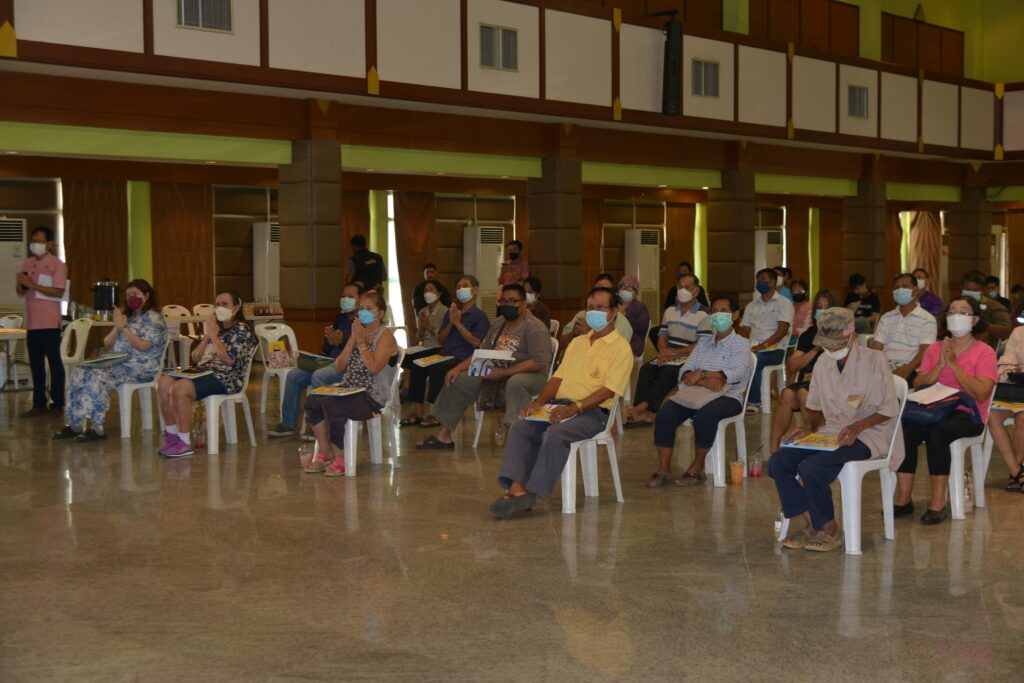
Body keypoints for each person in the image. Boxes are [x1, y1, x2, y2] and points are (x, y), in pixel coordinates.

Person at [489, 287, 632, 518]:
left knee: (555, 433)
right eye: (590, 308)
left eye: (600, 308)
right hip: (560, 405)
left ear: (614, 312)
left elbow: (608, 391)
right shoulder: (578, 342)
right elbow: (557, 378)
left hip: (593, 413)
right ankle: (517, 488)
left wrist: (575, 408)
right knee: (521, 427)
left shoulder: (621, 348)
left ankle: (532, 493)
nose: (593, 312)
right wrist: (539, 402)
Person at [769, 308, 903, 552]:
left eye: (836, 344)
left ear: (852, 335)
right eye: (827, 345)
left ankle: (829, 528)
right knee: (779, 461)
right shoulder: (823, 362)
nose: (831, 350)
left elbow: (889, 408)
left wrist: (858, 426)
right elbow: (815, 407)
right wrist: (807, 428)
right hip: (832, 431)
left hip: (870, 432)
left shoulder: (875, 360)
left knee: (812, 467)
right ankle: (813, 522)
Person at [895, 296, 997, 524]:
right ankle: (903, 498)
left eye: (963, 312)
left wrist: (954, 365)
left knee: (937, 432)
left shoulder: (985, 352)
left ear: (974, 320)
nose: (956, 316)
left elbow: (981, 393)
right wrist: (940, 364)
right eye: (952, 311)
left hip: (968, 414)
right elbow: (919, 383)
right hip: (934, 408)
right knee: (905, 429)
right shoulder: (935, 348)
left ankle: (938, 502)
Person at [416, 283, 552, 449]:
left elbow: (539, 362)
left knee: (516, 382)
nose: (507, 305)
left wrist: (503, 373)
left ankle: (516, 438)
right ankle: (444, 435)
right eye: (504, 301)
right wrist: (458, 368)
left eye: (512, 301)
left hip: (529, 373)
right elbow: (482, 352)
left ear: (523, 303)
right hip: (497, 368)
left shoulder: (535, 327)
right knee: (459, 379)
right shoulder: (499, 323)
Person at [645, 295, 752, 488]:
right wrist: (703, 380)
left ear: (735, 315)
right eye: (714, 311)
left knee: (705, 417)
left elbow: (737, 373)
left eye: (723, 311)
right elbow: (685, 371)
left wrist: (702, 374)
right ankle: (664, 468)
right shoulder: (703, 343)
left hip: (728, 396)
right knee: (666, 414)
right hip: (697, 393)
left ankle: (697, 466)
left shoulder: (741, 343)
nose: (718, 315)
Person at [52, 279, 167, 441]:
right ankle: (74, 424)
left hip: (140, 367)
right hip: (117, 362)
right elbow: (107, 343)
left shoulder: (154, 319)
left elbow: (143, 346)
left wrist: (123, 328)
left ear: (147, 296)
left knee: (98, 376)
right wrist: (117, 327)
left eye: (135, 294)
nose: (131, 298)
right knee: (80, 371)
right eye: (128, 295)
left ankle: (97, 427)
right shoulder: (128, 316)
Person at [302, 290, 399, 476]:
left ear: (380, 313)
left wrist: (361, 343)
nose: (363, 312)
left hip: (372, 395)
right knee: (312, 401)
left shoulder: (385, 337)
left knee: (334, 404)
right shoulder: (358, 333)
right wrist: (352, 339)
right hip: (348, 388)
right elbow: (339, 367)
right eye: (361, 308)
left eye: (369, 308)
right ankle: (325, 451)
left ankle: (342, 456)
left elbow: (373, 368)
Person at [156, 290, 258, 458]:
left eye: (225, 304)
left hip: (228, 378)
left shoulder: (242, 330)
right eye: (217, 304)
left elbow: (229, 360)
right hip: (206, 371)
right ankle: (172, 435)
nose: (220, 308)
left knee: (181, 388)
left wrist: (213, 336)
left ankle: (184, 441)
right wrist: (207, 337)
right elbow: (196, 358)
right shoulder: (218, 328)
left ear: (236, 308)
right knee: (163, 382)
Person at [268, 282, 363, 438]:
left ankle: (318, 426)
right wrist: (330, 339)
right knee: (294, 375)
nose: (346, 299)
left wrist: (342, 341)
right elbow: (326, 348)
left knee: (319, 376)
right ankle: (288, 424)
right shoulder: (341, 319)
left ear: (360, 300)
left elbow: (361, 348)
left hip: (347, 367)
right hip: (329, 361)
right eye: (343, 296)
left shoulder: (363, 322)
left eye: (350, 296)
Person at [400, 275, 490, 427]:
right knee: (417, 363)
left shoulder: (480, 316)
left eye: (465, 286)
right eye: (458, 287)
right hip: (444, 353)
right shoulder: (451, 313)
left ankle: (436, 414)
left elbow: (476, 342)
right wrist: (450, 324)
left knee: (436, 368)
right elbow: (441, 340)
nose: (461, 289)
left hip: (463, 357)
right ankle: (418, 411)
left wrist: (458, 324)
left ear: (475, 290)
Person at [626, 273, 710, 427]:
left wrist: (674, 353)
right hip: (669, 354)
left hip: (691, 357)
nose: (682, 290)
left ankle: (641, 408)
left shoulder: (703, 314)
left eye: (687, 287)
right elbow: (662, 336)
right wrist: (664, 352)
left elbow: (702, 345)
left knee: (668, 371)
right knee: (647, 368)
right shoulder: (670, 311)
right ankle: (642, 414)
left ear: (696, 291)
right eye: (680, 287)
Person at [769, 289, 840, 453]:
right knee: (787, 394)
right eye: (819, 307)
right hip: (807, 382)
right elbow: (793, 366)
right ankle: (774, 447)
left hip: (831, 386)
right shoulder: (808, 335)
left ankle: (814, 442)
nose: (823, 311)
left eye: (827, 307)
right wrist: (815, 349)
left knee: (803, 393)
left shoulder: (842, 333)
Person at [15, 226, 67, 417]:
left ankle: (57, 404)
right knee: (36, 365)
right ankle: (38, 404)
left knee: (54, 363)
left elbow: (59, 292)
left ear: (50, 244)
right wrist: (21, 285)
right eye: (33, 240)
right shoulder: (27, 263)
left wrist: (33, 284)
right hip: (32, 323)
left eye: (39, 241)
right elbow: (21, 292)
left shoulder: (57, 265)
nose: (35, 244)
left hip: (49, 323)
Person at [739, 268, 794, 414]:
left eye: (764, 279)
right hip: (752, 347)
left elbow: (783, 330)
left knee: (755, 359)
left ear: (774, 282)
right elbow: (745, 330)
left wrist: (762, 346)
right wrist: (742, 345)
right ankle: (734, 398)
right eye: (758, 280)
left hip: (774, 349)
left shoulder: (784, 303)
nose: (760, 282)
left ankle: (754, 402)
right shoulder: (751, 305)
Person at [869, 272, 937, 383]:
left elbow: (925, 350)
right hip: (884, 368)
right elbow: (877, 346)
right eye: (897, 287)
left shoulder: (928, 319)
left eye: (905, 287)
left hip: (910, 369)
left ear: (915, 291)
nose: (900, 290)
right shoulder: (886, 317)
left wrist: (907, 369)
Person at [989, 324, 1024, 491]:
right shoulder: (1019, 332)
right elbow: (1004, 365)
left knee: (1022, 417)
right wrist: (1014, 369)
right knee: (992, 415)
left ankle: (1016, 473)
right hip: (1018, 392)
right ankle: (1017, 471)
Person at [561, 273, 633, 351]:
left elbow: (616, 351)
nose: (599, 294)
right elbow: (562, 345)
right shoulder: (581, 316)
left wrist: (590, 333)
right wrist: (573, 333)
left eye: (605, 290)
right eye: (597, 290)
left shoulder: (622, 323)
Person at [959, 270, 1011, 344]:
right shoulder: (955, 305)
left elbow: (1006, 331)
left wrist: (983, 325)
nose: (971, 292)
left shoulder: (993, 306)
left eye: (974, 290)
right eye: (967, 290)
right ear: (962, 288)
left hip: (986, 347)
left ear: (983, 290)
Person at [617, 274, 651, 358]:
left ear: (636, 292)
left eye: (629, 288)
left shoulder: (640, 307)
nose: (625, 290)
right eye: (623, 287)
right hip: (616, 340)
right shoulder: (615, 305)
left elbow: (642, 328)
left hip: (633, 343)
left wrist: (625, 315)